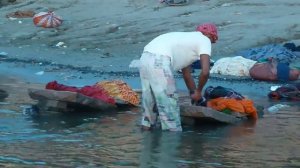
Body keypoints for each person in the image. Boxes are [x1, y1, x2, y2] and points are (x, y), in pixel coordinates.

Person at [139, 23, 218, 131]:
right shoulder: (205, 40)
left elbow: (186, 73)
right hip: (160, 61)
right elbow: (205, 72)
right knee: (170, 109)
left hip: (144, 58)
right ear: (211, 36)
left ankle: (147, 136)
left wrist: (193, 92)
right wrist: (199, 91)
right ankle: (171, 142)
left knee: (149, 108)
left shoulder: (187, 40)